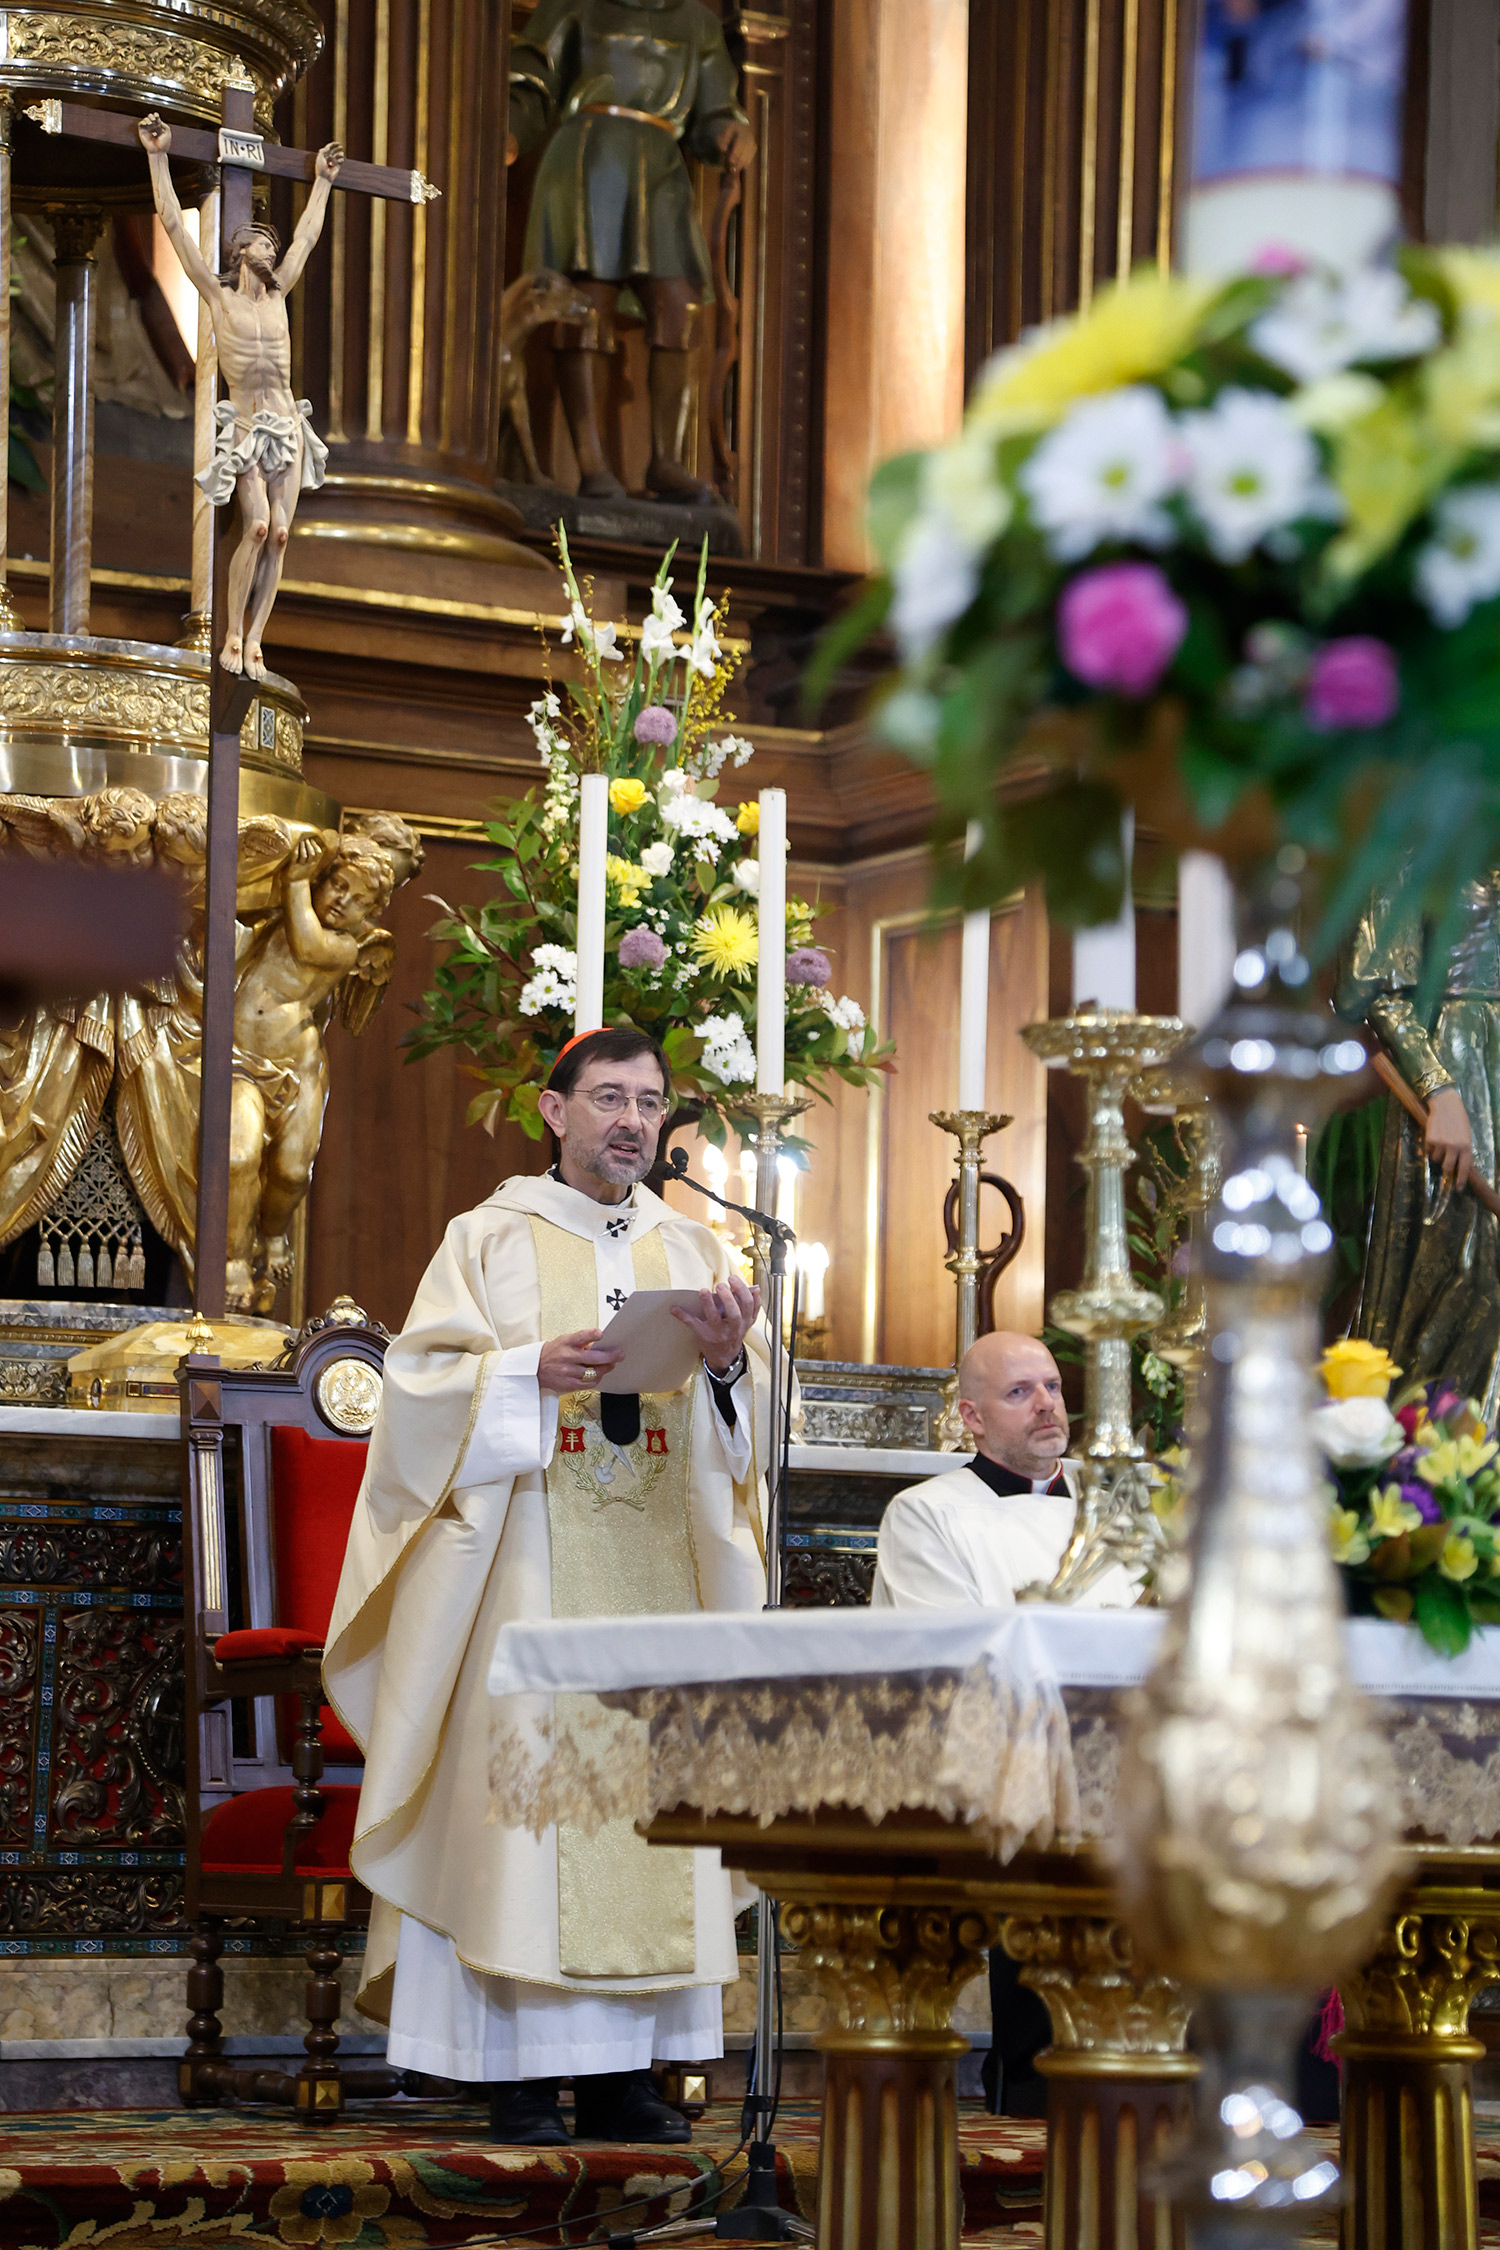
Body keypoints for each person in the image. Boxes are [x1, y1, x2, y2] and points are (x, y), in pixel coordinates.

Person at [324, 1027, 770, 2146]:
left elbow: (746, 1446)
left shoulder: (695, 1248)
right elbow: (416, 1392)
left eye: (652, 1103)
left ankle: (628, 2075)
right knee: (529, 1822)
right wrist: (528, 1370)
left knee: (647, 1810)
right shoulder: (489, 1238)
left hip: (658, 1575)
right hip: (530, 1568)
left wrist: (725, 1367)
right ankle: (516, 2073)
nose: (633, 1121)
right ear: (554, 1110)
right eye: (610, 1098)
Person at [870, 1330, 1137, 2115]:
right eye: (1020, 1392)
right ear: (972, 1417)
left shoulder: (1117, 1507)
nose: (1047, 1404)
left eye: (1052, 1387)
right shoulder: (928, 1513)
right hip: (1002, 1748)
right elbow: (948, 1648)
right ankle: (1031, 2080)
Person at [505, 0, 755, 503]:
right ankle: (592, 465)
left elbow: (713, 113)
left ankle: (666, 459)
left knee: (679, 302)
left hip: (661, 163)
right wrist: (510, 126)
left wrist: (731, 130)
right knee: (585, 302)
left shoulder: (697, 23)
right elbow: (531, 75)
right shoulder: (574, 5)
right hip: (587, 155)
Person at [138, 113, 342, 680]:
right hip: (250, 429)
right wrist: (159, 158)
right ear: (239, 252)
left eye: (272, 243)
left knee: (280, 534)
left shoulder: (278, 299)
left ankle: (254, 640)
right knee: (255, 525)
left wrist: (322, 180)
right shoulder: (220, 298)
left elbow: (307, 235)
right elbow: (176, 231)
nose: (272, 246)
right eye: (262, 240)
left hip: (288, 426)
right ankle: (231, 632)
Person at [1337, 866, 1500, 1420]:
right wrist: (1438, 1086)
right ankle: (1438, 1474)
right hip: (1459, 1075)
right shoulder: (1424, 828)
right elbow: (1369, 988)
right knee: (1472, 1271)